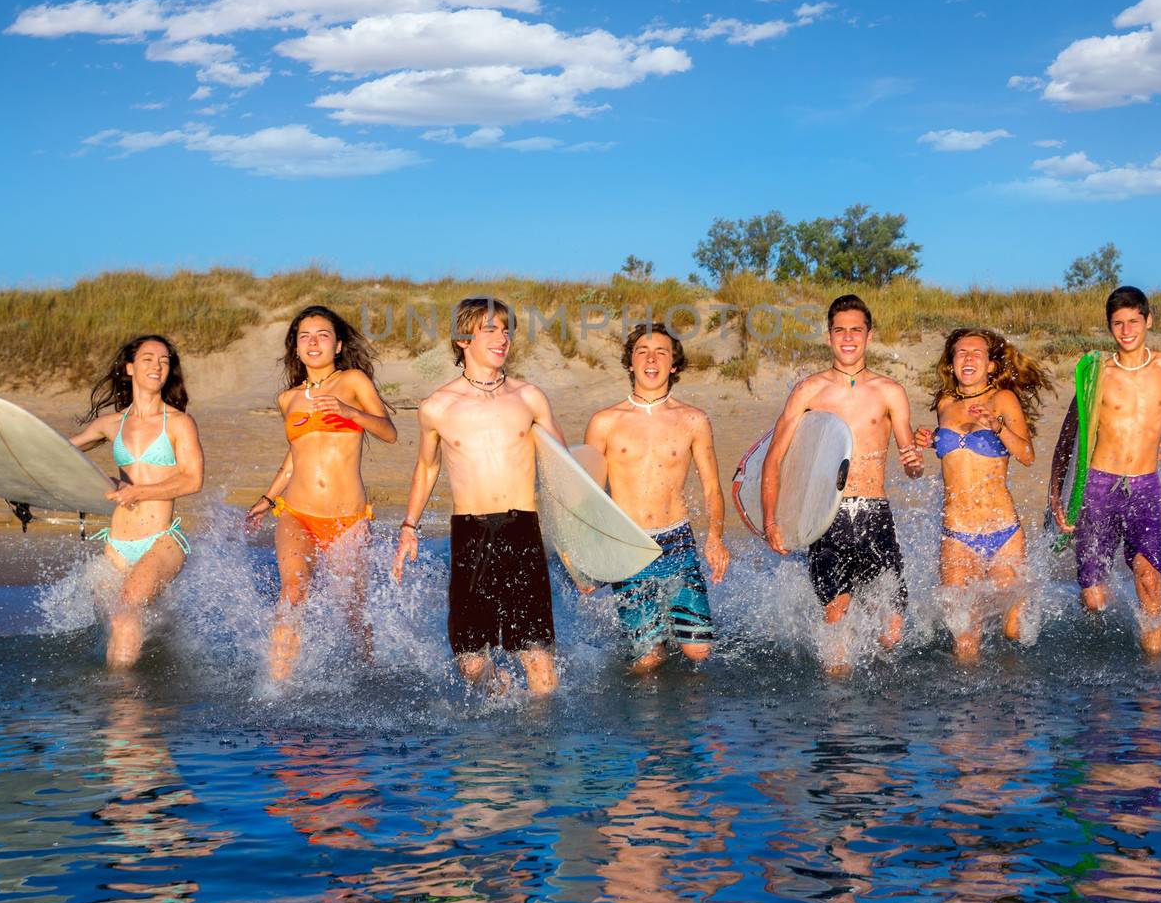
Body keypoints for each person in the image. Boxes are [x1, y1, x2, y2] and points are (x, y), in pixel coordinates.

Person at [391, 297, 566, 696]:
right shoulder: (438, 406)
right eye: (490, 329)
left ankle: (539, 744)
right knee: (470, 661)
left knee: (537, 656)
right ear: (462, 340)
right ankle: (500, 702)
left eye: (506, 329)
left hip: (523, 530)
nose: (502, 337)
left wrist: (579, 552)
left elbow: (565, 471)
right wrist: (408, 526)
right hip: (469, 534)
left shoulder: (529, 397)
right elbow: (428, 467)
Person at [762, 294, 923, 671]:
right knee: (836, 616)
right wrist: (771, 521)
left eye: (856, 330)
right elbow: (773, 459)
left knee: (893, 628)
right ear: (829, 336)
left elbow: (909, 455)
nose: (848, 338)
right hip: (826, 516)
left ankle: (876, 691)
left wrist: (914, 461)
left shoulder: (889, 392)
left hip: (874, 514)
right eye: (840, 330)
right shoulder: (809, 391)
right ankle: (838, 707)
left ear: (868, 336)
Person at [246, 305, 396, 680]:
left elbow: (388, 431)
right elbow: (295, 456)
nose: (313, 342)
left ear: (338, 344)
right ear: (296, 348)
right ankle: (276, 688)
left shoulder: (353, 382)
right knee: (293, 593)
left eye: (322, 335)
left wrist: (350, 411)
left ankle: (367, 675)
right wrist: (267, 500)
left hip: (348, 520)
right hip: (297, 513)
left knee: (351, 612)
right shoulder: (288, 399)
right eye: (305, 336)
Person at [583, 321, 729, 673]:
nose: (651, 359)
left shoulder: (693, 420)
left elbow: (711, 486)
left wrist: (716, 537)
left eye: (661, 352)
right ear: (630, 362)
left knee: (699, 654)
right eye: (642, 352)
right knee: (650, 660)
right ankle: (636, 711)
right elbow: (585, 496)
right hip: (628, 546)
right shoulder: (605, 422)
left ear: (674, 365)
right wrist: (585, 560)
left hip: (677, 541)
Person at [1049, 285, 1161, 656]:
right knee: (1095, 598)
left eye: (1133, 322)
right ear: (1110, 327)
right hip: (1098, 487)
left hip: (1144, 487)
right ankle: (1094, 640)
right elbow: (1067, 440)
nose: (1126, 330)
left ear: (1148, 320)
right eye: (1118, 323)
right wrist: (1056, 496)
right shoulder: (1097, 374)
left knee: (1149, 581)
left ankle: (1155, 681)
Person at [913, 328, 1051, 661]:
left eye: (977, 353)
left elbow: (1027, 455)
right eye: (961, 352)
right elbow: (956, 453)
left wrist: (998, 428)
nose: (969, 358)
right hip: (957, 536)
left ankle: (1010, 701)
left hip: (1002, 533)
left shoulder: (1002, 400)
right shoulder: (945, 403)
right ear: (952, 362)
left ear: (990, 365)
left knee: (1011, 632)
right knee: (965, 634)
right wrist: (929, 441)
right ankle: (966, 711)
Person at [71, 334, 204, 668]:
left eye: (163, 361)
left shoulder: (178, 423)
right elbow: (55, 453)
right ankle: (162, 668)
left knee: (125, 611)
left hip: (161, 540)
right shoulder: (111, 424)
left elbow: (193, 479)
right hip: (117, 544)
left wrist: (139, 492)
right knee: (120, 619)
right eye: (147, 359)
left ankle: (122, 707)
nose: (156, 366)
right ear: (129, 367)